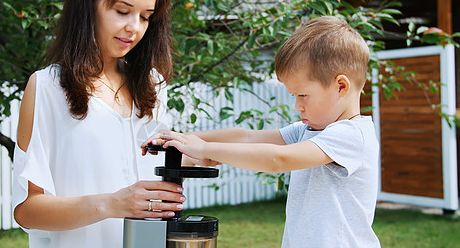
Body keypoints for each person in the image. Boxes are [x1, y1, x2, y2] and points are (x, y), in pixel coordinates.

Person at [12, 0, 198, 247]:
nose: (134, 28)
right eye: (123, 11)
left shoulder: (153, 85)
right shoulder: (47, 88)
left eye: (145, 17)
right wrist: (113, 203)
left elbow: (149, 180)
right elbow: (27, 210)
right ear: (89, 6)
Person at [143, 16, 381, 247]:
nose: (297, 106)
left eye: (303, 95)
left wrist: (204, 148)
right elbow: (244, 137)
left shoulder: (351, 135)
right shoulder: (309, 131)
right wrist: (182, 138)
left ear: (341, 86)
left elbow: (277, 160)